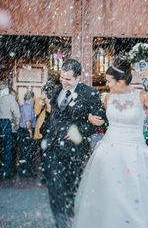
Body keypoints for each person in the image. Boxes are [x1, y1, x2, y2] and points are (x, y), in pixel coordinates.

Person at [72, 57, 148, 228]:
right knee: (108, 197)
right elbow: (99, 117)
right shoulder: (108, 97)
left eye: (109, 81)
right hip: (108, 152)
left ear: (121, 80)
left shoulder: (142, 97)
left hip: (133, 153)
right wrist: (90, 118)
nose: (107, 85)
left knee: (134, 198)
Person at [41, 59, 105, 228]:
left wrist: (81, 130)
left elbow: (101, 120)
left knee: (71, 187)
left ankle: (70, 217)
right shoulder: (56, 90)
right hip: (53, 148)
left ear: (78, 77)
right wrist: (45, 135)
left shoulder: (90, 93)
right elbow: (53, 115)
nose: (64, 82)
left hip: (75, 150)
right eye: (62, 78)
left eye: (68, 79)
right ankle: (61, 223)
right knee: (55, 187)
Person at [0, 83, 20, 180]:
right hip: (5, 122)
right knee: (7, 149)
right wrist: (17, 123)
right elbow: (16, 112)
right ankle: (6, 172)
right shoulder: (10, 97)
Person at [17, 91, 36, 177]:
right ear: (31, 98)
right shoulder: (28, 107)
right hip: (26, 131)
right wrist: (30, 132)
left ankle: (23, 170)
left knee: (23, 151)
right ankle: (26, 171)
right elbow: (28, 121)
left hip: (22, 131)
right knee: (27, 152)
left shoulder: (23, 106)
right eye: (34, 97)